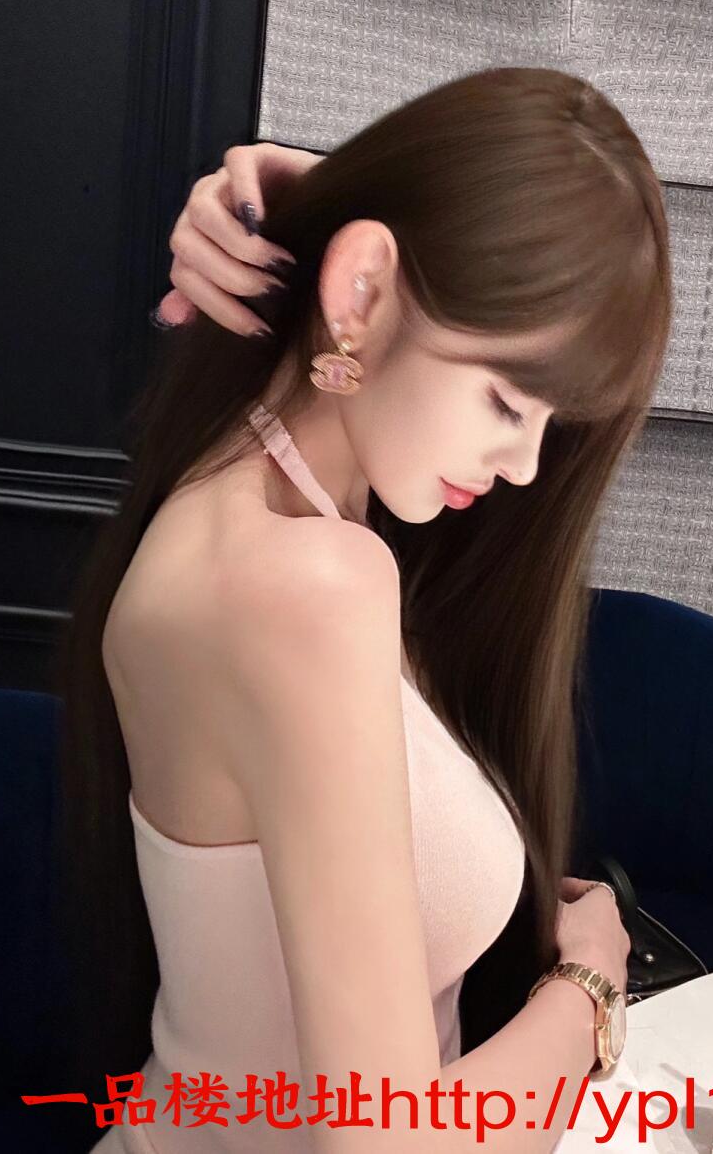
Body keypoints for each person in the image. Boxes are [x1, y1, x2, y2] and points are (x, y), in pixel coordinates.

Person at [52, 66, 672, 1152]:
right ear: (362, 293)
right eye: (506, 400)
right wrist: (589, 988)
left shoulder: (292, 504)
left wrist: (315, 211)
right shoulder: (313, 585)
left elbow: (388, 293)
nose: (526, 466)